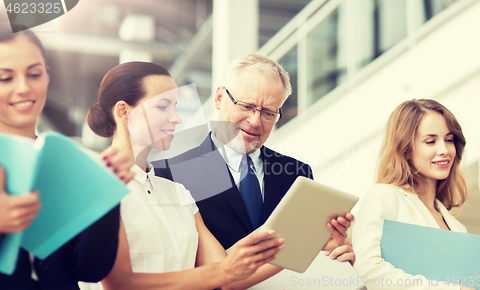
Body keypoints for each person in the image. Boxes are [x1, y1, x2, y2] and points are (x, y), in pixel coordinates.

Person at [86, 61, 295, 290]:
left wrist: (307, 241)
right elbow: (118, 284)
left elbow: (229, 276)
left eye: (175, 107)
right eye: (163, 106)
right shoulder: (96, 183)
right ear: (124, 111)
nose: (176, 118)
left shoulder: (177, 192)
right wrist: (226, 270)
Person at [152, 54, 355, 264]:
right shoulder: (170, 175)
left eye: (268, 113)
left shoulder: (297, 173)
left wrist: (330, 253)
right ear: (219, 98)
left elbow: (301, 255)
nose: (256, 121)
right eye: (247, 106)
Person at [0, 23, 134, 290]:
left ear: (47, 76)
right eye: (5, 78)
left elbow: (90, 269)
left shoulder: (66, 162)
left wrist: (106, 196)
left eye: (34, 74)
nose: (24, 88)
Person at [352, 99, 474, 290]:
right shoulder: (384, 195)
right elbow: (368, 269)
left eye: (449, 140)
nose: (444, 150)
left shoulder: (458, 227)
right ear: (406, 149)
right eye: (430, 141)